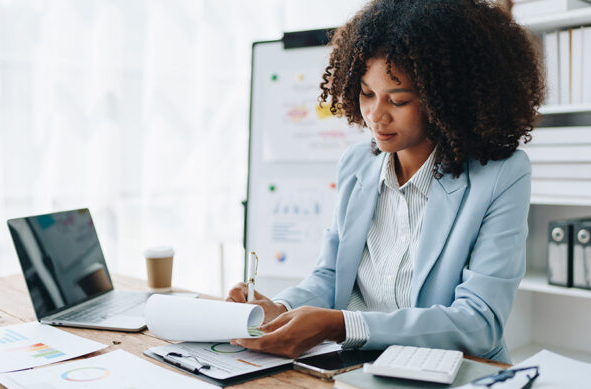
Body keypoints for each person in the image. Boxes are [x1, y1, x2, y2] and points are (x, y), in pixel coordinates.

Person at [226, 0, 544, 363]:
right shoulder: (357, 164)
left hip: (457, 372)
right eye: (366, 93)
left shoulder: (501, 174)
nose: (376, 116)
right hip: (360, 367)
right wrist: (279, 308)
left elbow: (478, 324)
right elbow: (330, 276)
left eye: (399, 99)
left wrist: (342, 325)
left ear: (446, 100)